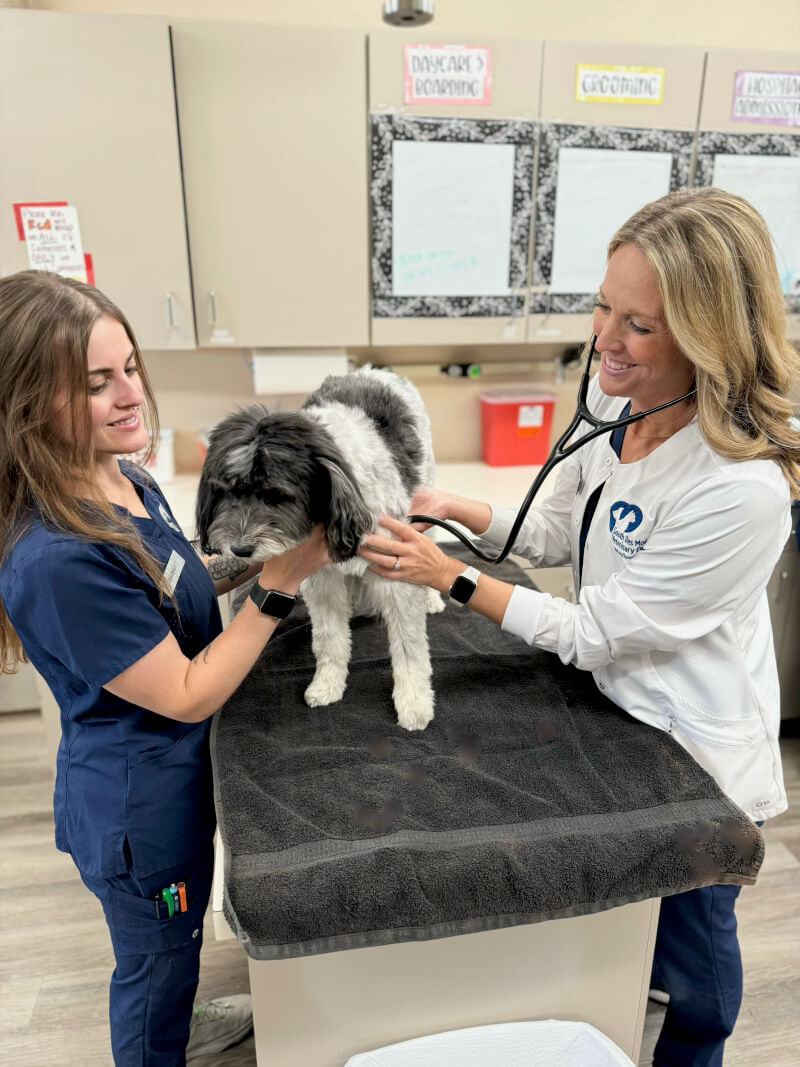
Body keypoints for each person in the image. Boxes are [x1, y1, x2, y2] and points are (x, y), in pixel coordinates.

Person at [359, 186, 800, 1067]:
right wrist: (458, 511)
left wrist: (453, 578)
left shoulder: (740, 488)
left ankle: (696, 1048)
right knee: (628, 929)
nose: (605, 339)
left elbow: (598, 629)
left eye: (639, 324)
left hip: (695, 755)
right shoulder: (614, 402)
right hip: (613, 716)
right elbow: (557, 531)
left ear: (709, 336)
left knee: (696, 955)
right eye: (604, 305)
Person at [0, 270, 330, 1066]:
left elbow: (173, 579)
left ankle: (177, 1004)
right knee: (155, 958)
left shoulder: (123, 476)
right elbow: (185, 693)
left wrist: (247, 566)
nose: (128, 396)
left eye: (129, 369)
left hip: (172, 783)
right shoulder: (58, 558)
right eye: (92, 383)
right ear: (25, 402)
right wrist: (283, 586)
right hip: (139, 813)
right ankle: (158, 1036)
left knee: (172, 941)